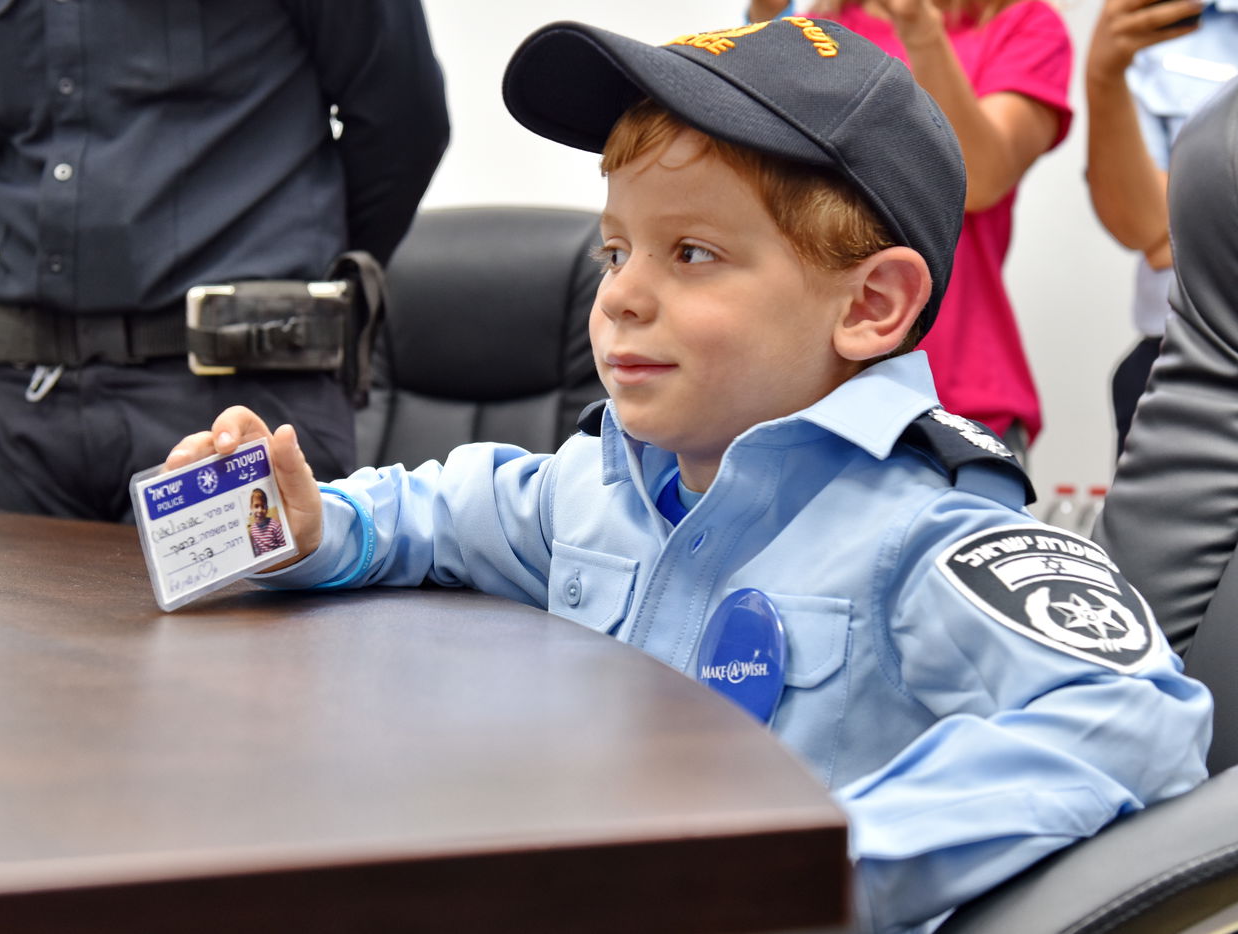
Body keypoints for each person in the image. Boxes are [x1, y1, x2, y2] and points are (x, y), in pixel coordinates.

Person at [166, 19, 1211, 932]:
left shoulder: (931, 536)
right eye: (614, 249)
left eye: (692, 254)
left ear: (870, 307)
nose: (619, 296)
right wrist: (309, 525)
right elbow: (431, 512)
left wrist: (811, 863)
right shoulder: (592, 486)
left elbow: (1131, 719)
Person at [0, 1, 449, 522]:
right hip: (23, 413)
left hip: (234, 405)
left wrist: (288, 284)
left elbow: (405, 122)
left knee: (240, 626)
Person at [750, 0, 1070, 461]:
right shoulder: (812, 25)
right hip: (803, 394)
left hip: (954, 398)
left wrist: (920, 30)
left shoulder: (1022, 23)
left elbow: (977, 180)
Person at [1083, 0, 1238, 457]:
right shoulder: (1160, 19)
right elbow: (1149, 230)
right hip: (1187, 366)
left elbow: (1175, 226)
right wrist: (1102, 78)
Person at [248, 487, 288, 558]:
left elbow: (284, 546)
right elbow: (257, 551)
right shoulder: (253, 529)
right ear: (251, 508)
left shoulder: (275, 525)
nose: (260, 510)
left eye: (263, 506)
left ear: (267, 508)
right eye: (256, 506)